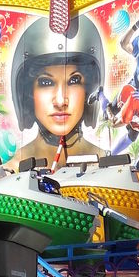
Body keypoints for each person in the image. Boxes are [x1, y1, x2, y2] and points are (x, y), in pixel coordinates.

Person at [6, 15, 105, 171]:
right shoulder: (12, 171)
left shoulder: (106, 166)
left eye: (74, 80)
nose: (60, 101)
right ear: (27, 94)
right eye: (46, 82)